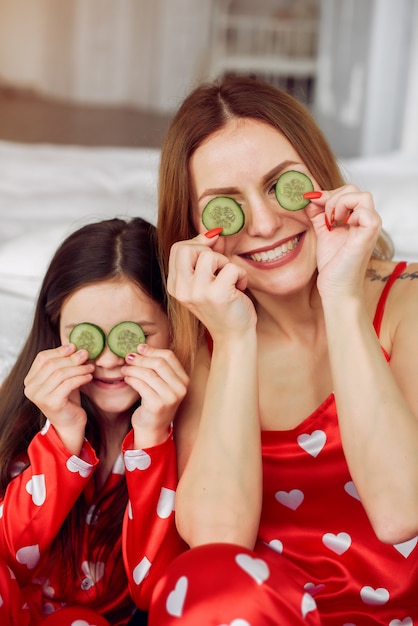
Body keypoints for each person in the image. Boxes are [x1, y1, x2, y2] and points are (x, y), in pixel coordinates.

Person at [144, 76, 418, 625]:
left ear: (321, 179)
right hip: (271, 614)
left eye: (281, 186)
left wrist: (341, 297)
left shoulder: (407, 305)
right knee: (199, 583)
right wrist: (233, 337)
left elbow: (400, 513)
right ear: (195, 230)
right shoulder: (202, 342)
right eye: (227, 207)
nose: (266, 224)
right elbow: (217, 545)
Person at [0, 217, 189, 625]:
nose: (106, 360)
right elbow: (10, 561)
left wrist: (153, 434)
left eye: (133, 336)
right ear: (55, 334)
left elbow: (157, 590)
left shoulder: (193, 435)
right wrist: (64, 434)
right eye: (85, 338)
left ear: (174, 329)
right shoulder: (21, 420)